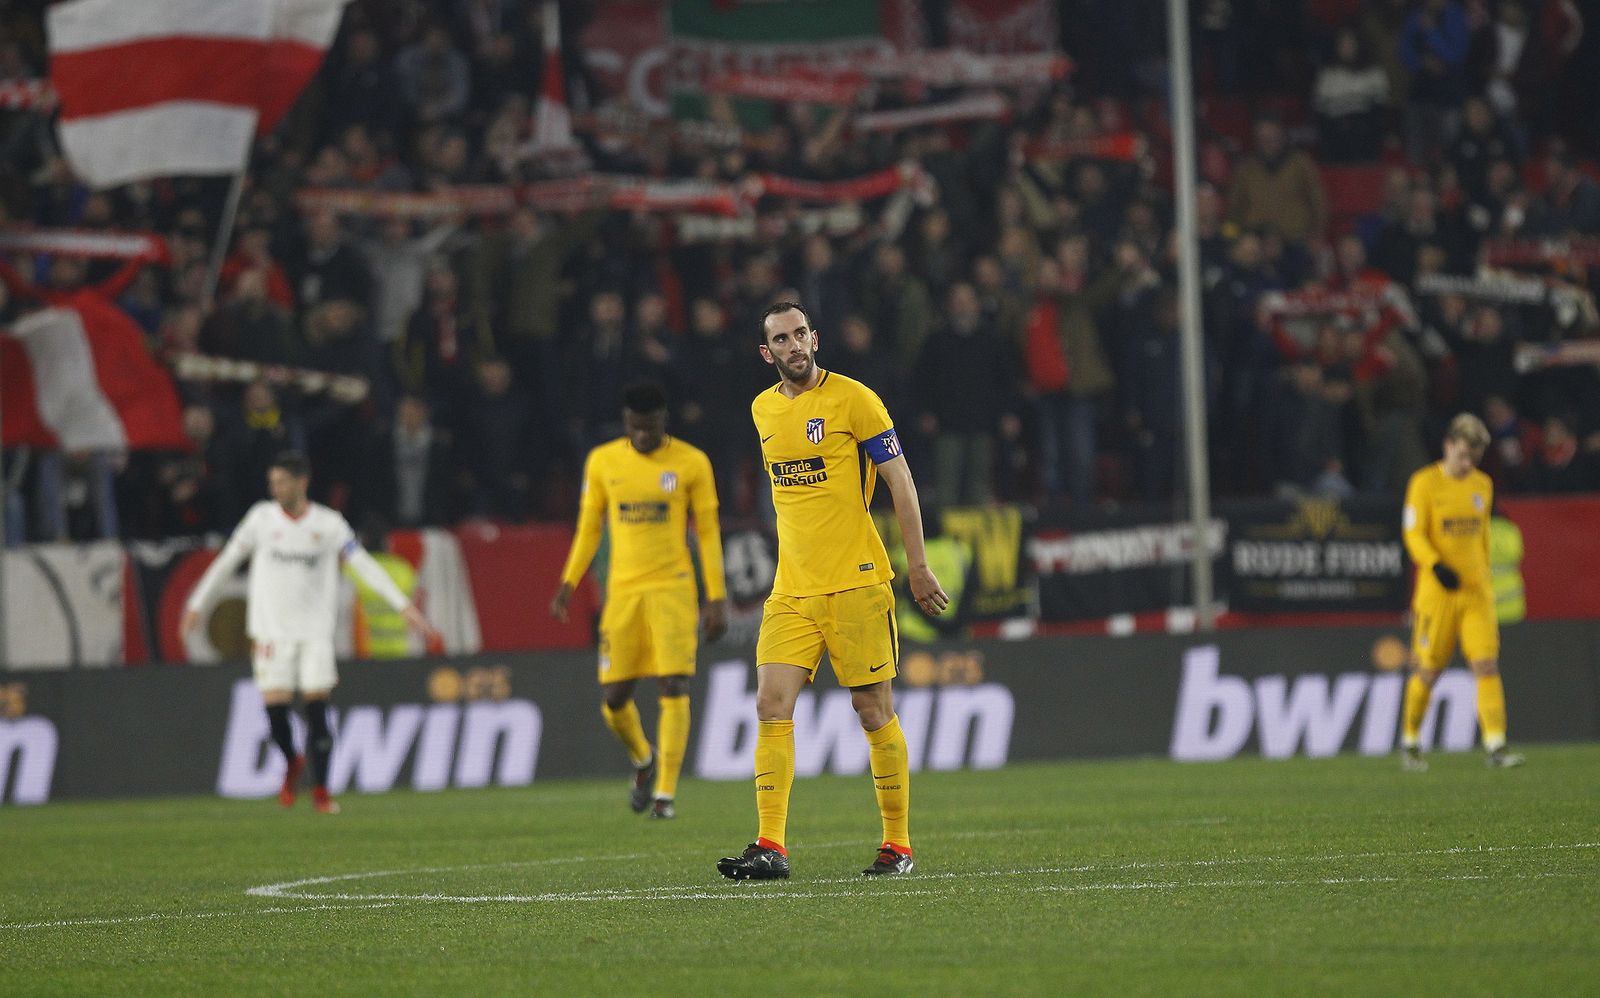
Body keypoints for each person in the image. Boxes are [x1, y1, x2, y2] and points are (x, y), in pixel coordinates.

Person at [717, 302, 948, 881]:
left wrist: (917, 567)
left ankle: (898, 845)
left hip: (856, 583)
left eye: (801, 334)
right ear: (766, 354)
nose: (794, 346)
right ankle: (771, 845)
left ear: (815, 338)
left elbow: (900, 481)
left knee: (873, 711)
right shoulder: (762, 409)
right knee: (771, 704)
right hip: (792, 589)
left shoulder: (856, 400)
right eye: (781, 339)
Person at [180, 452, 439, 813]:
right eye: (272, 482)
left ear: (302, 482)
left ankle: (321, 790)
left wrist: (404, 606)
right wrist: (197, 603)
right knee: (276, 710)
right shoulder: (260, 519)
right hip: (271, 632)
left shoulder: (329, 524)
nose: (275, 488)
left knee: (317, 707)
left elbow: (363, 564)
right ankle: (291, 761)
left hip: (315, 633)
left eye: (282, 481)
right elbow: (227, 561)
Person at [550, 382, 728, 820]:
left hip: (673, 587)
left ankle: (665, 794)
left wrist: (717, 597)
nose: (642, 437)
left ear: (663, 422)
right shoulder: (603, 461)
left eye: (649, 428)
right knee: (614, 697)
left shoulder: (691, 463)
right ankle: (643, 760)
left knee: (675, 684)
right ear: (625, 423)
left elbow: (706, 531)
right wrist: (568, 582)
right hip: (624, 590)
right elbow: (590, 527)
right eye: (634, 428)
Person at [1398, 415, 1524, 772]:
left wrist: (1481, 575)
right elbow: (1413, 534)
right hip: (1437, 595)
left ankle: (1495, 744)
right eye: (1464, 455)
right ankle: (1410, 741)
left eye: (1475, 458)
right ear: (1448, 446)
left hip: (1476, 593)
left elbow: (1480, 537)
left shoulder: (1482, 485)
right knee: (1429, 671)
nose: (1468, 464)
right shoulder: (1423, 483)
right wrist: (1435, 565)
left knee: (1485, 664)